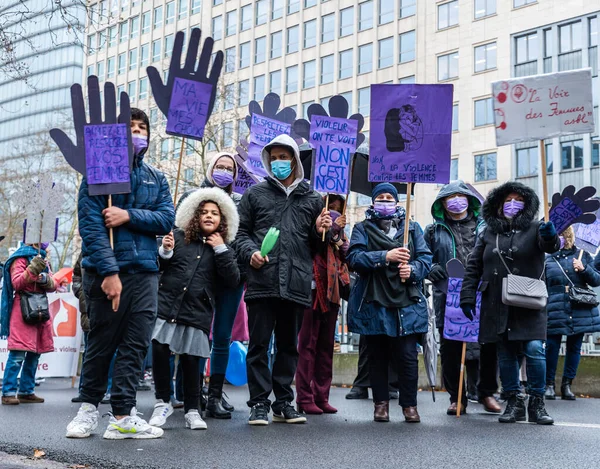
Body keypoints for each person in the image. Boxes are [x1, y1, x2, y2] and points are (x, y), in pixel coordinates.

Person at [66, 108, 175, 439]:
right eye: (131, 128)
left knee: (136, 343)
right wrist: (108, 271)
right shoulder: (97, 174)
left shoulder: (157, 177)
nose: (138, 133)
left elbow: (166, 218)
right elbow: (92, 227)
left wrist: (128, 214)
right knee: (102, 341)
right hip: (104, 273)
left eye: (143, 129)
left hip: (145, 273)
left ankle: (123, 414)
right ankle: (87, 409)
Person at [236, 134, 332, 426]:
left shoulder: (314, 199)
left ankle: (283, 402)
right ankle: (259, 404)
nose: (279, 162)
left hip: (296, 282)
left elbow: (317, 247)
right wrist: (250, 252)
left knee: (289, 346)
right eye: (274, 157)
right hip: (262, 281)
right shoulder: (255, 194)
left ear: (295, 160)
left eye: (284, 157)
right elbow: (239, 235)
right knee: (259, 346)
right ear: (267, 161)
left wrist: (319, 230)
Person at [460, 181, 559, 425]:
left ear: (527, 206)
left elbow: (551, 246)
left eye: (519, 201)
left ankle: (537, 402)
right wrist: (467, 294)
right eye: (507, 201)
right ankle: (513, 402)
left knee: (535, 349)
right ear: (498, 205)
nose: (512, 205)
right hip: (497, 301)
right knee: (505, 353)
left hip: (529, 302)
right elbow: (474, 264)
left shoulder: (537, 228)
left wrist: (550, 236)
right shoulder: (488, 233)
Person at [149, 187, 240, 430]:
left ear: (223, 220)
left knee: (192, 362)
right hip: (168, 308)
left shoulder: (225, 248)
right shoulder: (177, 237)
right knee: (159, 351)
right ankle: (162, 402)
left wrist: (220, 248)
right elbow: (158, 266)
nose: (209, 216)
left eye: (215, 213)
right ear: (195, 215)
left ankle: (192, 409)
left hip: (197, 312)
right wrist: (165, 251)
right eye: (204, 212)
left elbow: (232, 279)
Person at [347, 183, 432, 423]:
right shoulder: (361, 228)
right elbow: (354, 258)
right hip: (375, 300)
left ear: (397, 201)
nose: (385, 201)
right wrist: (385, 256)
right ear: (373, 202)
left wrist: (413, 269)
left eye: (389, 198)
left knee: (406, 355)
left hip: (406, 301)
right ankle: (380, 404)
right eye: (380, 198)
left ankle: (409, 405)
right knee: (377, 355)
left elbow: (425, 258)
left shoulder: (412, 228)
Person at [423, 180, 500, 415]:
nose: (456, 201)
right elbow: (422, 256)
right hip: (448, 294)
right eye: (450, 198)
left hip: (481, 291)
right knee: (451, 347)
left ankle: (486, 392)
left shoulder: (485, 227)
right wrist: (431, 268)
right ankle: (457, 397)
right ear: (442, 204)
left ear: (469, 200)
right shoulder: (433, 231)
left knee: (486, 343)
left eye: (460, 196)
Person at [200, 152, 245, 419]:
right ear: (211, 168)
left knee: (223, 338)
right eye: (220, 166)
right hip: (202, 276)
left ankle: (215, 395)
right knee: (197, 336)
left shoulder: (242, 203)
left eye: (229, 168)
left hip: (231, 276)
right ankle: (193, 393)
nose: (224, 171)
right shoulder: (196, 198)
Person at [296, 196, 350, 414]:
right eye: (331, 209)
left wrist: (338, 235)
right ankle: (304, 397)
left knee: (326, 345)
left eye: (339, 210)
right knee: (308, 344)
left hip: (332, 290)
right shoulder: (311, 226)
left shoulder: (341, 234)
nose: (335, 213)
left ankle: (321, 395)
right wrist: (324, 231)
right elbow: (309, 246)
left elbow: (348, 255)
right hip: (311, 288)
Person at [544, 226, 600, 400]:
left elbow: (596, 280)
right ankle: (549, 385)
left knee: (574, 348)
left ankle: (567, 385)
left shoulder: (583, 255)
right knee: (552, 347)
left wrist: (584, 269)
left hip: (579, 308)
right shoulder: (547, 259)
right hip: (554, 308)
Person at [1, 243, 58, 405]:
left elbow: (53, 285)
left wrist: (44, 279)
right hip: (22, 308)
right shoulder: (20, 258)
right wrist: (32, 270)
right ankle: (8, 392)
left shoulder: (43, 260)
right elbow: (17, 283)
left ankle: (26, 391)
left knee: (35, 353)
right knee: (18, 353)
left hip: (39, 309)